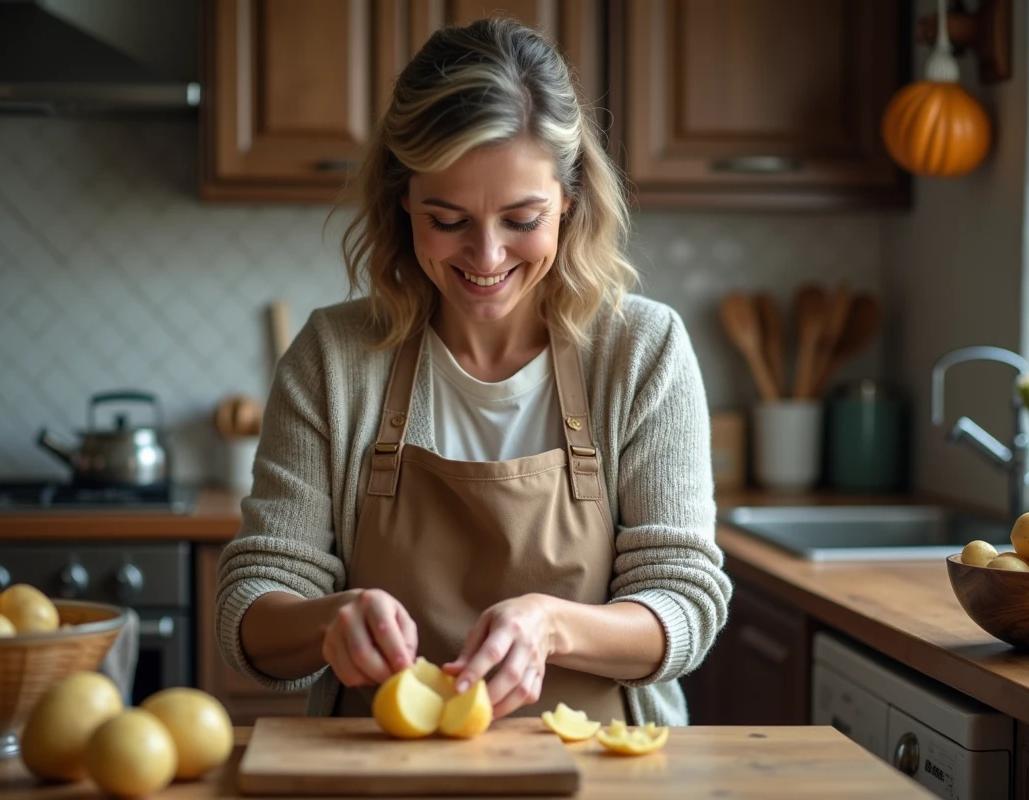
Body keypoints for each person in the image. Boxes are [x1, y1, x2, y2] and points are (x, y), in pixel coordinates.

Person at [214, 17, 732, 727]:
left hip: (601, 768)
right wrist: (328, 621)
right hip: (378, 770)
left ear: (570, 203)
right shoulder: (335, 357)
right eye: (448, 219)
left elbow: (686, 603)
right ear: (403, 204)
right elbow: (251, 607)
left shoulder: (641, 350)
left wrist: (552, 625)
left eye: (522, 219)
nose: (486, 258)